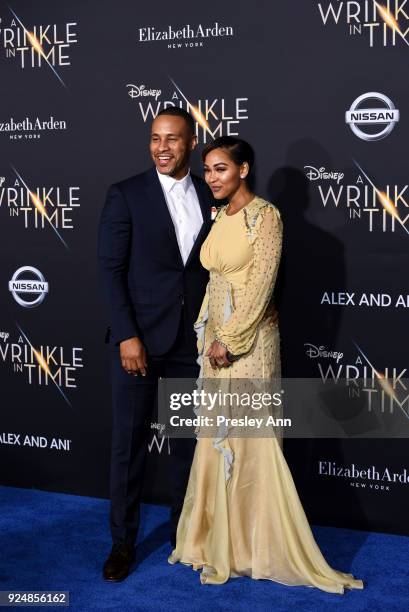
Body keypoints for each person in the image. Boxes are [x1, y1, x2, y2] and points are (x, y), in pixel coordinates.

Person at [169, 136, 364, 593]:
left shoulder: (267, 218)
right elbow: (216, 283)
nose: (212, 178)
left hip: (250, 346)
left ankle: (257, 546)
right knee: (217, 439)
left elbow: (259, 286)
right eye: (209, 169)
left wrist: (230, 340)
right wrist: (207, 334)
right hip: (214, 344)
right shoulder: (220, 215)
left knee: (252, 441)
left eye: (220, 169)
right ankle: (216, 541)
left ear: (244, 169)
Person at [97, 107, 214, 582]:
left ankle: (183, 536)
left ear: (191, 142)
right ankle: (123, 545)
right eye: (154, 138)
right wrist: (127, 335)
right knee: (129, 447)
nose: (161, 147)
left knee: (188, 446)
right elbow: (110, 270)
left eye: (172, 139)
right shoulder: (125, 195)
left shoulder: (212, 195)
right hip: (139, 342)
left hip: (191, 344)